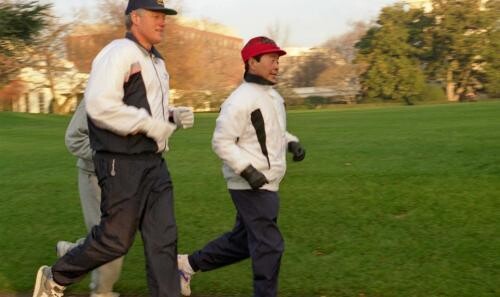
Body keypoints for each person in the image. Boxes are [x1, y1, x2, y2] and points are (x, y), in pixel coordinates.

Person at [32, 0, 194, 296]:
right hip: (121, 162)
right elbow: (99, 105)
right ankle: (55, 276)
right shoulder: (118, 53)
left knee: (163, 241)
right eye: (156, 16)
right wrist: (148, 124)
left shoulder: (157, 62)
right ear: (135, 17)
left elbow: (146, 107)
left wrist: (171, 115)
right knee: (115, 241)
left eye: (164, 16)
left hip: (154, 164)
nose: (163, 22)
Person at [177, 36, 306, 297]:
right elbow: (221, 142)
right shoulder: (239, 100)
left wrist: (291, 142)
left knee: (243, 242)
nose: (276, 65)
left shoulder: (272, 96)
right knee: (269, 246)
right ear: (252, 62)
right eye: (271, 59)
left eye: (278, 60)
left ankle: (186, 265)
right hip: (250, 185)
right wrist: (247, 171)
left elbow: (274, 131)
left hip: (268, 182)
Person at [56, 100, 123, 297]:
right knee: (110, 237)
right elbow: (74, 138)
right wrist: (108, 156)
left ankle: (74, 253)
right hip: (94, 175)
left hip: (123, 178)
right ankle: (101, 292)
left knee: (117, 235)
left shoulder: (137, 93)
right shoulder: (96, 95)